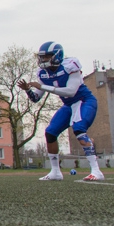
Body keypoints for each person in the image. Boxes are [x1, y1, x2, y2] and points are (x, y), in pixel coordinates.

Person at [17, 42, 102, 181]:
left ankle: (96, 171)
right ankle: (55, 172)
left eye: (47, 56)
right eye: (42, 57)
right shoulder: (43, 74)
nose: (43, 60)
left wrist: (44, 87)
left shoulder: (70, 66)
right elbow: (36, 98)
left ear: (57, 56)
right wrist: (27, 89)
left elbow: (71, 91)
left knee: (79, 130)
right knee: (50, 133)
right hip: (68, 105)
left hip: (83, 100)